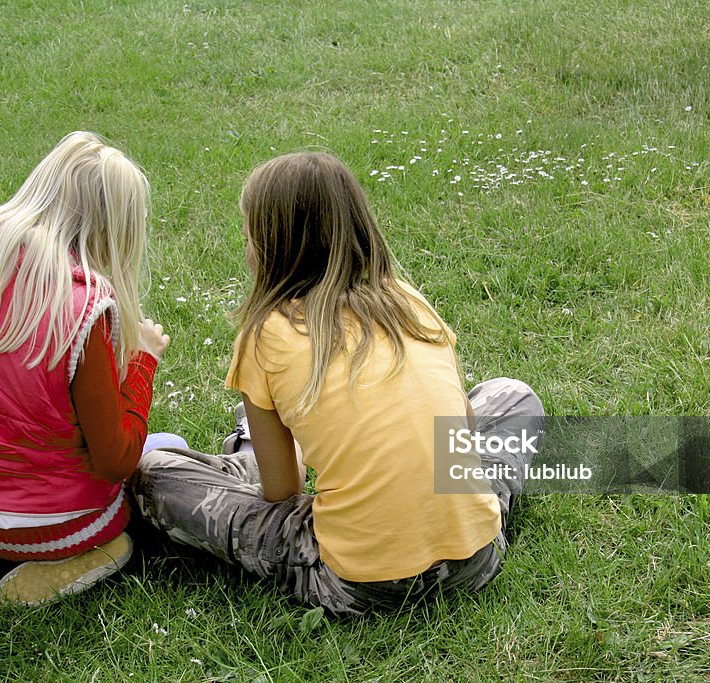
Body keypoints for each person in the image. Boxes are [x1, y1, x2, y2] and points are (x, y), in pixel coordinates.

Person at [132, 151, 544, 616]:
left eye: (247, 237)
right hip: (477, 561)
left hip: (360, 586)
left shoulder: (266, 333)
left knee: (155, 475)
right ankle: (465, 518)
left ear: (272, 247)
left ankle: (242, 459)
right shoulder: (407, 300)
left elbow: (284, 491)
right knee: (512, 395)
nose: (245, 249)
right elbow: (462, 433)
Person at [0, 131, 171, 605]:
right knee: (166, 450)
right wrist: (142, 362)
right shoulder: (82, 307)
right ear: (113, 231)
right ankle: (76, 561)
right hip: (63, 526)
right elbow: (115, 460)